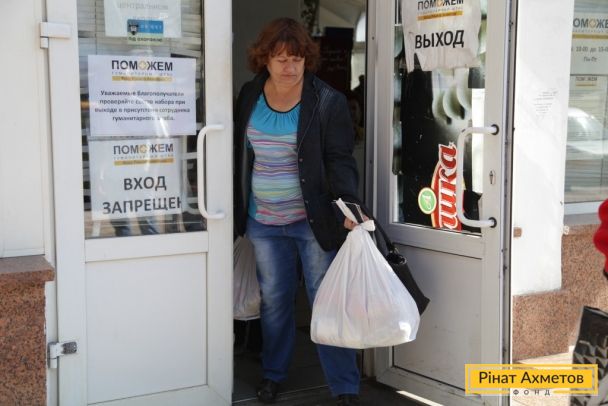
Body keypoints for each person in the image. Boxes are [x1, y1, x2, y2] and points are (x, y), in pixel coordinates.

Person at [233, 18, 361, 406]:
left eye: (297, 59)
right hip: (264, 221)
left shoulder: (326, 101)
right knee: (275, 301)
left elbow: (340, 158)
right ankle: (273, 374)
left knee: (325, 299)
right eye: (281, 59)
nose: (290, 67)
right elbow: (238, 154)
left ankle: (345, 386)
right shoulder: (250, 95)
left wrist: (349, 205)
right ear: (265, 59)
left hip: (312, 220)